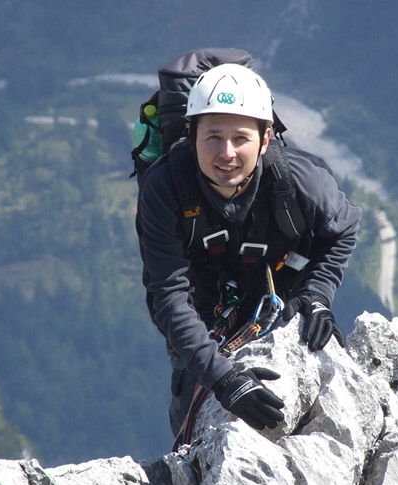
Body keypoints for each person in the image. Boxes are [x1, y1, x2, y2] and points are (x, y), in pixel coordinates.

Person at [136, 62, 361, 437]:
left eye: (240, 138)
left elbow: (344, 227)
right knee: (192, 433)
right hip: (200, 320)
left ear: (266, 139)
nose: (226, 153)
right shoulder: (164, 189)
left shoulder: (298, 181)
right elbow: (170, 297)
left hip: (276, 306)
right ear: (191, 136)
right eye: (213, 137)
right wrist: (223, 380)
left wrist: (317, 295)